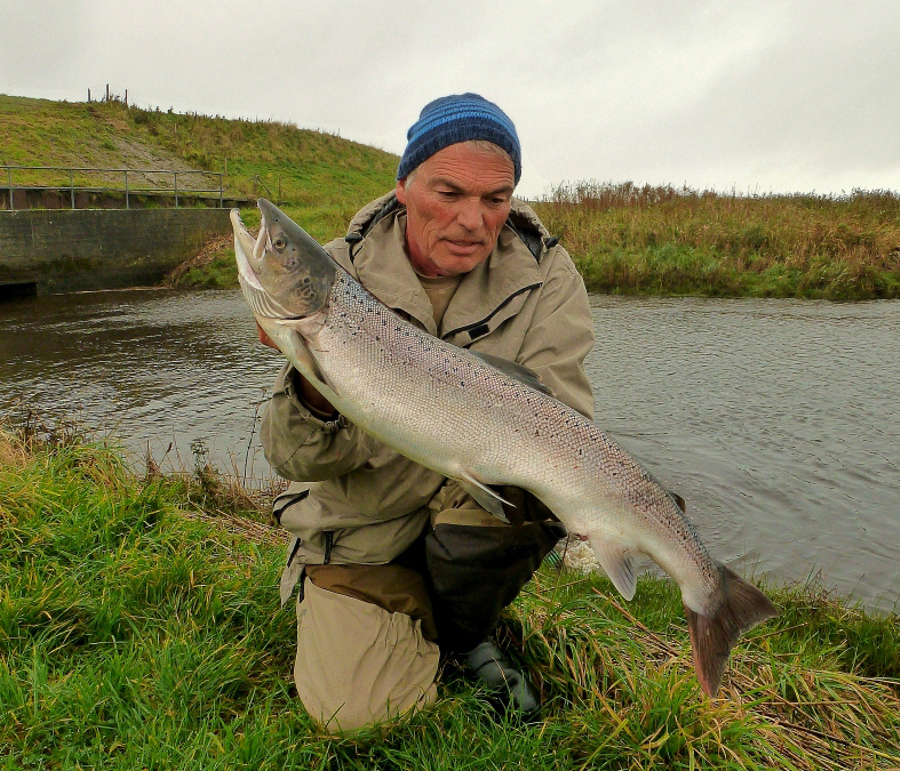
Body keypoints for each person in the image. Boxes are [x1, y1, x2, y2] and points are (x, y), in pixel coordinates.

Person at [258, 93, 596, 733]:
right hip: (364, 518)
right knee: (356, 717)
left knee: (547, 487)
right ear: (404, 187)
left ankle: (466, 633)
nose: (474, 220)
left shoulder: (546, 272)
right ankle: (402, 613)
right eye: (450, 194)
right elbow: (294, 456)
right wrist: (323, 378)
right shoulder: (338, 273)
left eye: (496, 199)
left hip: (481, 510)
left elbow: (565, 418)